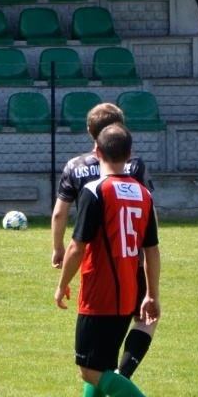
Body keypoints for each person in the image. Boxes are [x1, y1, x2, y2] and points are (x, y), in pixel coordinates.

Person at [55, 124, 180, 397]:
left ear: (97, 153)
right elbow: (151, 250)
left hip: (99, 292)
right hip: (128, 291)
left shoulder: (95, 191)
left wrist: (63, 283)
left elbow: (77, 246)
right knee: (102, 366)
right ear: (129, 155)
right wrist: (151, 294)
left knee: (89, 369)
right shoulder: (143, 194)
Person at [51, 102, 157, 380]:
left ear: (90, 133)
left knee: (91, 363)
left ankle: (119, 385)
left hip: (96, 262)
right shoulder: (134, 167)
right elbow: (149, 212)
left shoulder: (75, 167)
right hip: (133, 259)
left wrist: (58, 249)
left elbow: (60, 213)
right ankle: (124, 373)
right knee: (145, 318)